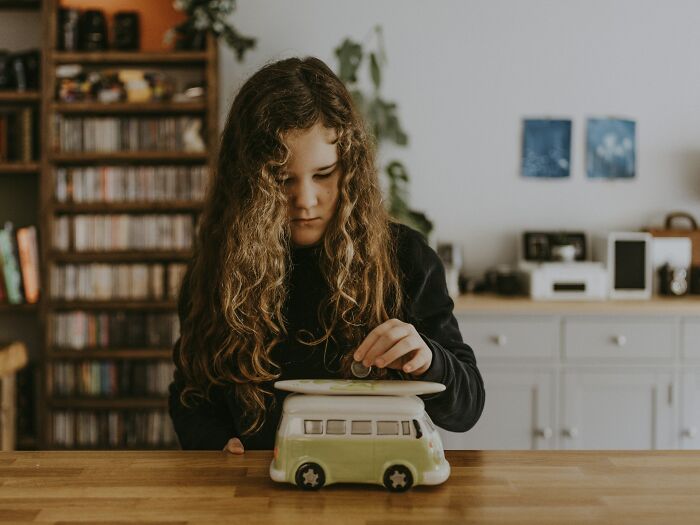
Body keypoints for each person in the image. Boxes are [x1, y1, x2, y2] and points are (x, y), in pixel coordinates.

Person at [168, 56, 485, 454]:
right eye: (281, 179)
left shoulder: (406, 258)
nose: (305, 200)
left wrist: (428, 358)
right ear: (248, 180)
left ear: (350, 168)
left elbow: (468, 408)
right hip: (256, 494)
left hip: (378, 493)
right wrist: (213, 443)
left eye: (323, 174)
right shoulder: (217, 268)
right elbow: (190, 394)